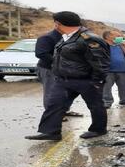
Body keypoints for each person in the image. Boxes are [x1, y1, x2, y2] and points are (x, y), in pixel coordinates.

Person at [25, 11, 110, 140]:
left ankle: (98, 130)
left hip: (86, 80)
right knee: (54, 104)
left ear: (58, 24)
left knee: (95, 105)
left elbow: (101, 62)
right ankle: (51, 132)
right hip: (63, 79)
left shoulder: (89, 38)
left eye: (55, 22)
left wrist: (96, 81)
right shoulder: (66, 37)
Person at [35, 29, 82, 120]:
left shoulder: (71, 37)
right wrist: (62, 62)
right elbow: (41, 53)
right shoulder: (47, 37)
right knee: (51, 92)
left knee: (68, 91)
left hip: (67, 70)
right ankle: (53, 115)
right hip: (49, 69)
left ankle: (64, 110)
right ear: (58, 24)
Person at [102, 31, 125, 108]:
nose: (120, 37)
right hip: (108, 71)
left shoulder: (124, 46)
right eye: (118, 36)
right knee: (106, 88)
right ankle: (107, 102)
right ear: (108, 37)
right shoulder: (102, 46)